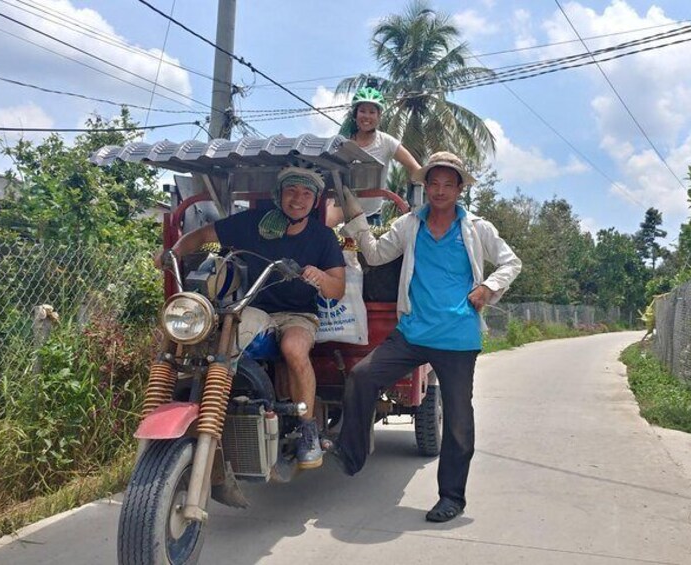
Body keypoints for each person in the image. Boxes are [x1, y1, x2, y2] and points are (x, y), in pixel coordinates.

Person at [327, 151, 522, 522]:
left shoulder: (477, 227)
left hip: (458, 338)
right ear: (425, 185)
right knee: (363, 376)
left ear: (460, 189)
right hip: (412, 332)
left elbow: (511, 262)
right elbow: (377, 254)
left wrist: (487, 287)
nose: (440, 190)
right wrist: (354, 218)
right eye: (434, 182)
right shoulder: (409, 224)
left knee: (460, 421)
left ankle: (451, 498)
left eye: (449, 184)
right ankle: (350, 455)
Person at [154, 166, 346, 469]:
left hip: (298, 315)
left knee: (294, 349)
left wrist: (320, 276)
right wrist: (174, 252)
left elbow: (337, 289)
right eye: (292, 191)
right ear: (279, 194)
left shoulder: (322, 237)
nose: (298, 199)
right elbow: (204, 234)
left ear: (315, 200)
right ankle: (213, 409)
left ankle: (307, 427)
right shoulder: (252, 224)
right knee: (219, 342)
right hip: (253, 308)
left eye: (307, 194)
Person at [328, 86, 421, 226]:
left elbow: (415, 169)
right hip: (343, 215)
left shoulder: (386, 142)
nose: (367, 116)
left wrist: (417, 203)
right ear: (355, 114)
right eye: (362, 111)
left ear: (379, 116)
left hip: (371, 218)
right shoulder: (343, 143)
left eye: (372, 112)